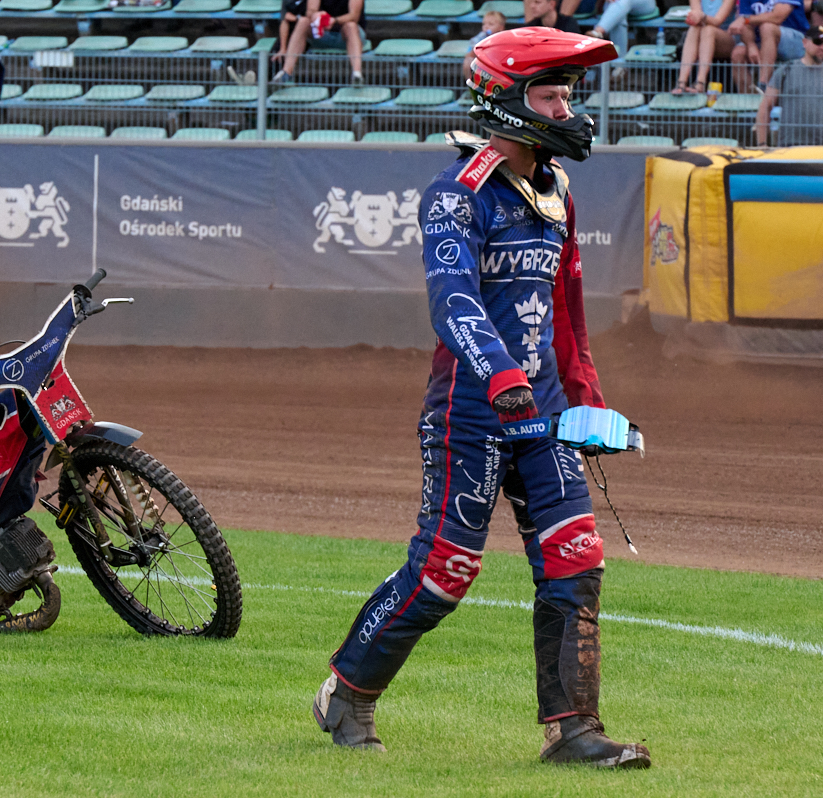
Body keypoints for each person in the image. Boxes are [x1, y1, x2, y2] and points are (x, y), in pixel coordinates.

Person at [311, 27, 653, 770]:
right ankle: (347, 691)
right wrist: (499, 373)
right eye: (551, 93)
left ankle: (573, 731)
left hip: (548, 417)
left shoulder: (558, 189)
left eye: (567, 92)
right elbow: (452, 298)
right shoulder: (456, 193)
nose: (567, 107)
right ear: (503, 97)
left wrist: (587, 396)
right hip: (472, 415)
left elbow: (567, 310)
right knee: (444, 574)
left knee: (576, 556)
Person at [756, 24, 823, 143]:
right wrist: (762, 144)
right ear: (804, 42)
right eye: (818, 42)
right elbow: (765, 107)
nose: (821, 47)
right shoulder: (786, 70)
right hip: (790, 147)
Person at [272, 0, 367, 84]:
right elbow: (310, 11)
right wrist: (316, 16)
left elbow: (354, 16)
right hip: (321, 32)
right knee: (303, 21)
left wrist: (334, 20)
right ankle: (286, 72)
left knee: (350, 26)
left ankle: (357, 74)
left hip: (348, 34)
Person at [729, 0, 811, 92]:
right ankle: (750, 100)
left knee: (767, 27)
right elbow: (743, 25)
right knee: (738, 53)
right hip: (762, 40)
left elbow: (777, 17)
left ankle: (763, 85)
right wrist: (750, 45)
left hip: (795, 39)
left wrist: (747, 19)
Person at [674, 0, 737, 93]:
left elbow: (717, 21)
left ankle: (700, 83)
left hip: (726, 38)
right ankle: (681, 83)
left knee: (708, 30)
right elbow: (696, 16)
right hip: (702, 34)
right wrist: (695, 18)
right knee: (694, 28)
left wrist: (702, 17)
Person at [585, 0, 661, 71]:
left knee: (623, 2)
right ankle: (620, 67)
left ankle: (597, 32)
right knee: (618, 12)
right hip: (617, 5)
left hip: (644, 4)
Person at [463, 10, 509, 84]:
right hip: (481, 64)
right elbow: (469, 54)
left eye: (491, 24)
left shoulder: (505, 38)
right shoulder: (480, 37)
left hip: (498, 67)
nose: (486, 27)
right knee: (468, 61)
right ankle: (472, 86)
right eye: (484, 24)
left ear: (501, 27)